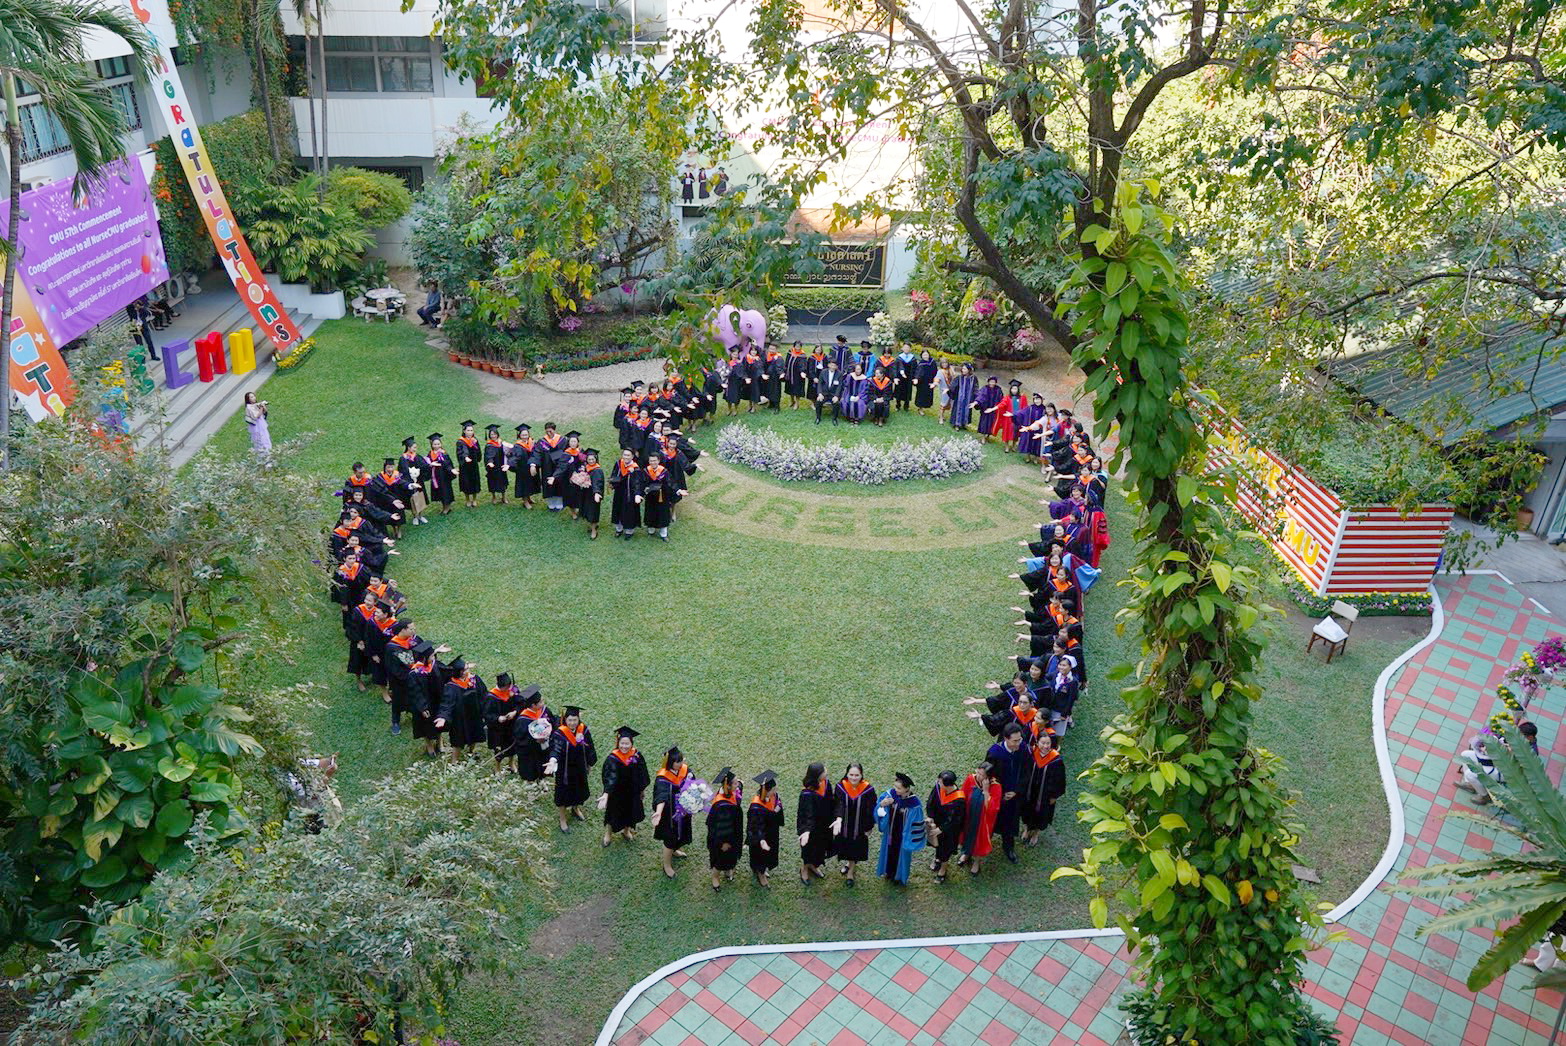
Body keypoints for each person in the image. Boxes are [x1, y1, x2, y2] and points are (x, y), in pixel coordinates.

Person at [600, 726, 650, 847]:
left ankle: (626, 830)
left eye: (627, 744)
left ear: (631, 743)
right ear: (618, 743)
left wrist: (642, 790)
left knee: (630, 812)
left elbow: (643, 773)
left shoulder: (637, 756)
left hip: (632, 792)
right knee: (613, 813)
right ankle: (608, 834)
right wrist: (607, 793)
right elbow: (609, 776)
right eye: (622, 743)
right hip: (617, 793)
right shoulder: (613, 758)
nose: (624, 746)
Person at [549, 706, 598, 831]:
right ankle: (562, 818)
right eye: (570, 720)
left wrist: (590, 763)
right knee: (563, 793)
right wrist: (553, 760)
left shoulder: (583, 730)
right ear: (565, 720)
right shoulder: (560, 734)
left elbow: (590, 747)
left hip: (579, 767)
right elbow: (556, 749)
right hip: (564, 770)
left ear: (578, 719)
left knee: (578, 789)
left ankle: (575, 808)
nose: (572, 723)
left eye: (575, 720)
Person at [986, 723, 1028, 862]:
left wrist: (1017, 791)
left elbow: (1026, 773)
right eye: (1015, 741)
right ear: (1005, 738)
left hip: (1013, 797)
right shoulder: (994, 753)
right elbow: (988, 775)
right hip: (996, 796)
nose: (1018, 743)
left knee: (1009, 824)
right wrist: (998, 792)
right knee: (989, 821)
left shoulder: (1023, 749)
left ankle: (1008, 848)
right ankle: (982, 845)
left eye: (1019, 739)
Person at [875, 772, 925, 886]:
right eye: (895, 786)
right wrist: (882, 804)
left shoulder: (914, 804)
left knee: (902, 855)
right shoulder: (890, 795)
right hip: (890, 833)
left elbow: (915, 823)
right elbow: (879, 809)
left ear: (907, 789)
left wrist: (907, 835)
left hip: (904, 836)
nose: (895, 789)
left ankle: (899, 877)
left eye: (898, 788)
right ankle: (888, 872)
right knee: (889, 851)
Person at [832, 762, 876, 887]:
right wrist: (838, 819)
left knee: (855, 847)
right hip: (844, 825)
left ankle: (851, 871)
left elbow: (871, 809)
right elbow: (838, 804)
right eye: (851, 774)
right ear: (847, 774)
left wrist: (869, 826)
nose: (853, 778)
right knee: (846, 846)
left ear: (861, 775)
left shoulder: (868, 789)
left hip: (859, 826)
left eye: (857, 775)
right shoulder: (841, 787)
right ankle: (849, 864)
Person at [434, 657, 486, 762]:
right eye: (466, 669)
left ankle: (471, 752)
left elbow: (484, 694)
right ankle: (454, 762)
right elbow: (446, 704)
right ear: (459, 672)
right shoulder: (451, 686)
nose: (468, 671)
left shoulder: (474, 679)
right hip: (460, 718)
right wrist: (442, 717)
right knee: (458, 741)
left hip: (474, 714)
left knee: (475, 734)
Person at [652, 747, 693, 878]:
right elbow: (661, 796)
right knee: (670, 839)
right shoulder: (663, 778)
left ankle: (675, 850)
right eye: (678, 761)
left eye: (681, 760)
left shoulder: (685, 771)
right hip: (669, 816)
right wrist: (658, 812)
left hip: (684, 813)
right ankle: (667, 865)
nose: (681, 763)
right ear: (670, 762)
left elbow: (693, 786)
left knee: (681, 834)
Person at [1019, 731, 1067, 845]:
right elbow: (1024, 771)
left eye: (1048, 743)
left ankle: (1035, 833)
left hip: (1045, 795)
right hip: (1030, 791)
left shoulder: (1056, 760)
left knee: (1041, 814)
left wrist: (1054, 796)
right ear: (1037, 742)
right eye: (1043, 743)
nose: (1045, 746)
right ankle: (1027, 829)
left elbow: (1060, 780)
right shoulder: (1031, 753)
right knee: (1027, 810)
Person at [959, 761, 1002, 876]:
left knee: (979, 840)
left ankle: (977, 862)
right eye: (977, 772)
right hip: (969, 815)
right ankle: (966, 853)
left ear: (988, 777)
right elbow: (963, 795)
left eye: (982, 775)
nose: (978, 776)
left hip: (983, 821)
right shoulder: (970, 779)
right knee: (967, 834)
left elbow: (993, 808)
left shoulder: (996, 787)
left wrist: (986, 791)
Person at [925, 771, 967, 883]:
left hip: (949, 831)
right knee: (937, 844)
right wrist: (930, 817)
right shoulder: (939, 788)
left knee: (946, 849)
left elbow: (956, 819)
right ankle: (937, 859)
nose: (938, 783)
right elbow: (931, 802)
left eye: (940, 782)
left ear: (947, 785)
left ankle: (943, 869)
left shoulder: (959, 799)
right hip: (937, 823)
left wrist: (941, 829)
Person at [796, 762, 834, 884]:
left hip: (824, 826)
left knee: (820, 849)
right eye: (824, 771)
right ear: (817, 775)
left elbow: (831, 801)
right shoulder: (807, 794)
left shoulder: (826, 784)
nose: (826, 771)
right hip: (811, 829)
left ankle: (814, 865)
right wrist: (806, 831)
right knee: (809, 850)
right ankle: (804, 869)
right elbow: (805, 814)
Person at [707, 767, 744, 890]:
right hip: (723, 839)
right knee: (720, 859)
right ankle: (715, 877)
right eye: (734, 783)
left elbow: (737, 801)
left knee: (731, 856)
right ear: (727, 786)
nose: (737, 785)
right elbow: (719, 827)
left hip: (733, 834)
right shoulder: (721, 805)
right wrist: (724, 842)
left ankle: (728, 870)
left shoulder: (730, 794)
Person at [747, 770, 785, 887]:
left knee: (769, 853)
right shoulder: (756, 807)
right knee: (760, 855)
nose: (775, 791)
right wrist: (761, 839)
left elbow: (778, 808)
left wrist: (777, 811)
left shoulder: (774, 797)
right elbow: (754, 826)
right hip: (761, 837)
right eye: (773, 789)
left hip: (772, 833)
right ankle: (760, 873)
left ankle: (763, 869)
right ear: (766, 791)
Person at [483, 672, 522, 774]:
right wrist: (497, 718)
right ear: (501, 686)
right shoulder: (491, 697)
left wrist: (515, 712)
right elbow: (487, 714)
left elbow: (521, 704)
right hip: (498, 729)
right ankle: (497, 767)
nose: (509, 689)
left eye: (510, 686)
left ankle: (511, 763)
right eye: (507, 687)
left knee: (513, 745)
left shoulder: (513, 690)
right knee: (499, 748)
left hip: (511, 725)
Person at [514, 685, 554, 781]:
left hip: (544, 749)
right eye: (540, 702)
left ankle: (542, 780)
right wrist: (535, 740)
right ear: (533, 705)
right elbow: (520, 740)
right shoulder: (523, 720)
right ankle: (531, 784)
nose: (543, 703)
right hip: (530, 753)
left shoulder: (544, 711)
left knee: (543, 766)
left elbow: (553, 721)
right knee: (531, 772)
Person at [641, 451, 684, 541]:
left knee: (663, 514)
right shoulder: (646, 471)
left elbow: (671, 482)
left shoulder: (664, 471)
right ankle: (651, 531)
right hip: (650, 497)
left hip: (662, 497)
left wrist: (678, 490)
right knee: (650, 513)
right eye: (651, 461)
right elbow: (642, 483)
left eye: (655, 460)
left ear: (659, 461)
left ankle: (663, 534)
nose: (653, 462)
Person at [610, 448, 643, 540]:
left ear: (632, 456)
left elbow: (637, 483)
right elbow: (614, 474)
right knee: (618, 509)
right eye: (624, 455)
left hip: (630, 494)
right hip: (619, 492)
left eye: (628, 455)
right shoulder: (618, 464)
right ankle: (619, 529)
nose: (626, 457)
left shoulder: (635, 468)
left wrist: (637, 494)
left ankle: (629, 531)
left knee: (629, 511)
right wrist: (612, 483)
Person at [574, 448, 606, 539]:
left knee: (593, 512)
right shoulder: (585, 468)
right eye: (589, 459)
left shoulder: (597, 470)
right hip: (585, 494)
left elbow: (598, 483)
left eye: (593, 459)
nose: (591, 461)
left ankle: (594, 530)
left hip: (593, 496)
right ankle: (592, 525)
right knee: (587, 511)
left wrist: (596, 493)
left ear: (596, 459)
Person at [507, 424, 540, 509]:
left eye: (526, 434)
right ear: (519, 436)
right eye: (523, 435)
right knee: (524, 484)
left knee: (530, 483)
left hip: (531, 467)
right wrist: (509, 464)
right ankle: (525, 501)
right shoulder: (518, 446)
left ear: (529, 434)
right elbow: (515, 457)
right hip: (522, 469)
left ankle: (529, 498)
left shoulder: (532, 443)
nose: (525, 436)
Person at [425, 434, 457, 515]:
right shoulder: (430, 453)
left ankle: (447, 508)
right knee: (440, 492)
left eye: (438, 444)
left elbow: (448, 464)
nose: (437, 446)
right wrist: (430, 464)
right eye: (435, 444)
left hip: (444, 477)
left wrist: (451, 470)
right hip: (435, 477)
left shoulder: (443, 454)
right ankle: (444, 506)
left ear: (441, 444)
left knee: (445, 492)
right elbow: (427, 463)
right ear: (432, 445)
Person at [455, 420, 482, 508]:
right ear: (464, 431)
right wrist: (465, 457)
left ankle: (474, 499)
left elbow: (478, 452)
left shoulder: (475, 440)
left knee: (474, 481)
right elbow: (461, 452)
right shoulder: (460, 442)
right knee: (466, 482)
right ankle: (467, 499)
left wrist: (475, 446)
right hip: (464, 466)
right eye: (468, 430)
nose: (470, 432)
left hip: (473, 464)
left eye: (471, 430)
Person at [483, 424, 510, 505]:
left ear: (497, 434)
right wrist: (490, 462)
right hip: (493, 467)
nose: (493, 436)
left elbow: (506, 452)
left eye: (495, 434)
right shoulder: (489, 445)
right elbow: (488, 455)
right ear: (489, 435)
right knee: (492, 481)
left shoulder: (501, 443)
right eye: (491, 434)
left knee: (503, 480)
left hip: (501, 465)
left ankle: (504, 497)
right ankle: (494, 497)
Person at [815, 357, 844, 425]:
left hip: (833, 394)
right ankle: (818, 418)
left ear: (837, 366)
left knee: (836, 403)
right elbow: (819, 384)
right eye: (831, 365)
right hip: (824, 393)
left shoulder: (839, 374)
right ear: (828, 365)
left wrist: (836, 396)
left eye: (834, 366)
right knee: (818, 401)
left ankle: (834, 418)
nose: (833, 367)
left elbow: (840, 386)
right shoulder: (823, 372)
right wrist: (820, 393)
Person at [975, 376, 1004, 440]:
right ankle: (983, 438)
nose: (992, 383)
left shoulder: (998, 389)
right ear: (988, 382)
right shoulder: (985, 388)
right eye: (991, 382)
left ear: (996, 382)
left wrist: (997, 407)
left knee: (991, 423)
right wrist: (977, 402)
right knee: (984, 423)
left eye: (993, 382)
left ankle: (987, 436)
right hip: (985, 409)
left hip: (994, 410)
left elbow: (1001, 399)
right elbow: (981, 396)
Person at [949, 363, 977, 429]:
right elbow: (953, 386)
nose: (963, 370)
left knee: (967, 410)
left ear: (969, 370)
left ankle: (964, 423)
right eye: (962, 369)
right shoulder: (959, 377)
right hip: (959, 398)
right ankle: (957, 424)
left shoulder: (973, 378)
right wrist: (950, 389)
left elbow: (976, 388)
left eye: (965, 369)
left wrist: (976, 397)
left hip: (969, 399)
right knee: (958, 410)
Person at [913, 350, 938, 416]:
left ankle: (925, 406)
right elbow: (918, 372)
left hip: (930, 382)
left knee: (928, 395)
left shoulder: (932, 362)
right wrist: (916, 379)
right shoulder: (921, 363)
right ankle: (920, 409)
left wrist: (935, 381)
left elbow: (936, 371)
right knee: (921, 395)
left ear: (929, 355)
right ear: (921, 356)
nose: (925, 356)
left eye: (926, 354)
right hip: (922, 383)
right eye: (924, 355)